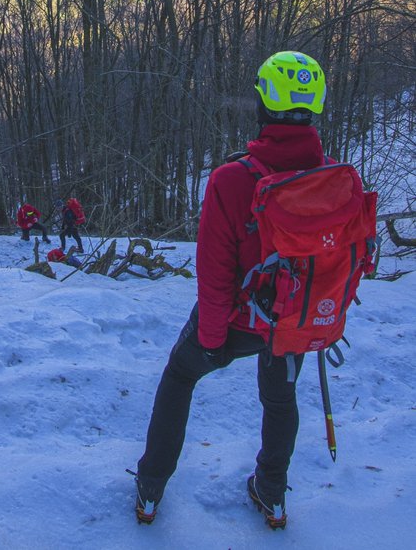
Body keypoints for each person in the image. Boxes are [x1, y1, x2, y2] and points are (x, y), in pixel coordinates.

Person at [134, 51, 328, 530]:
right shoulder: (331, 178)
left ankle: (150, 489)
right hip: (295, 322)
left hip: (240, 321)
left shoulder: (232, 180)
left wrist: (213, 340)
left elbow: (216, 275)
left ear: (263, 104)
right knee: (280, 399)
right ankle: (272, 493)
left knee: (180, 377)